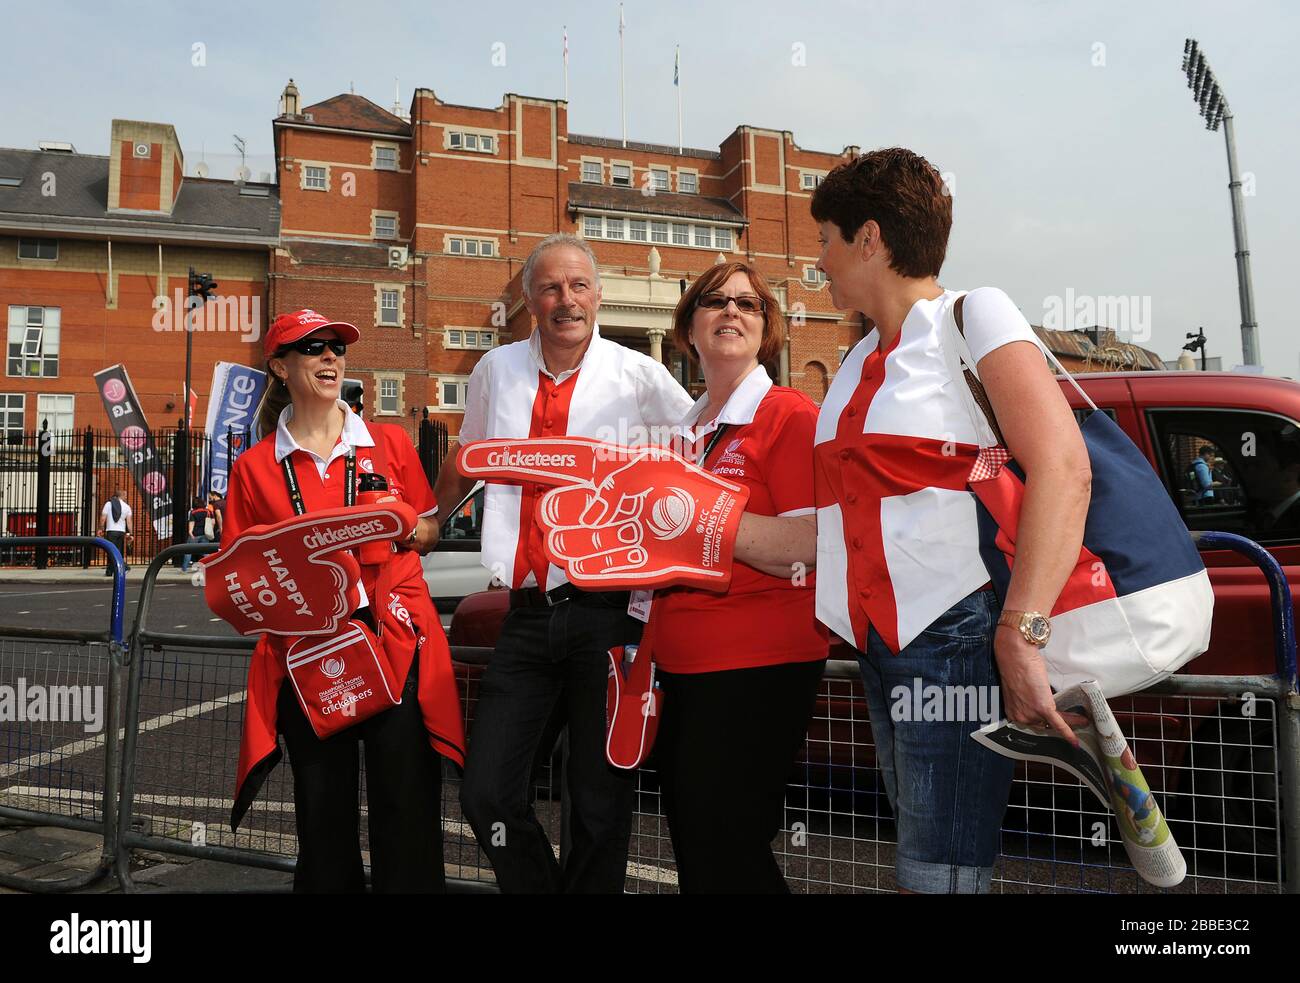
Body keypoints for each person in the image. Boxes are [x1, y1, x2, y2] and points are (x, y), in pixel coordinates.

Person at [810, 149, 1092, 893]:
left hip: (954, 634)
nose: (819, 261)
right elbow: (854, 511)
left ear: (868, 238)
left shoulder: (975, 312)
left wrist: (1021, 630)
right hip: (878, 644)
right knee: (925, 860)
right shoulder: (858, 357)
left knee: (939, 875)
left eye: (825, 239)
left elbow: (1063, 466)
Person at [435, 233, 693, 893]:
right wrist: (430, 520)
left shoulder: (638, 375)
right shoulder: (495, 370)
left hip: (608, 614)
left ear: (598, 295)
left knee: (599, 807)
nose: (566, 300)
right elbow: (468, 458)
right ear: (529, 299)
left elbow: (698, 449)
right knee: (487, 792)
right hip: (523, 613)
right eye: (551, 287)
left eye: (579, 285)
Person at [222, 308, 466, 893]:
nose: (329, 357)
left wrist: (402, 524)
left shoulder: (390, 441)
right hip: (311, 655)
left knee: (407, 812)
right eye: (312, 348)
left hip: (394, 643)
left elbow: (432, 531)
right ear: (280, 367)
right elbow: (238, 575)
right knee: (323, 819)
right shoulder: (255, 467)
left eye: (336, 346)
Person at [646, 261, 828, 893]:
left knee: (726, 847)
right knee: (701, 849)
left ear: (766, 328)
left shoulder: (788, 413)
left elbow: (812, 544)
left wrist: (698, 518)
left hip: (757, 665)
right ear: (688, 327)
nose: (732, 312)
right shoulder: (684, 432)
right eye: (715, 301)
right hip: (682, 665)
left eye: (749, 305)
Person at [98, 488, 132, 575]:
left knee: (110, 551)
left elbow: (103, 518)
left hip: (111, 531)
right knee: (118, 551)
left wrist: (100, 529)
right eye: (126, 495)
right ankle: (116, 570)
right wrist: (130, 533)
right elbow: (129, 522)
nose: (126, 497)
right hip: (121, 532)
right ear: (122, 496)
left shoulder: (108, 504)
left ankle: (114, 570)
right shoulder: (127, 507)